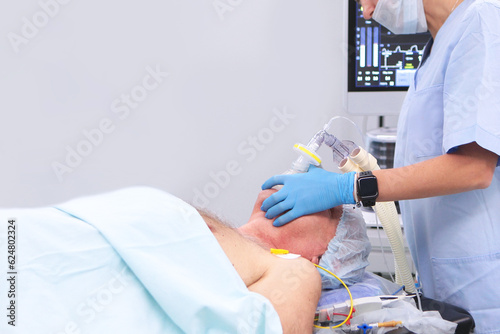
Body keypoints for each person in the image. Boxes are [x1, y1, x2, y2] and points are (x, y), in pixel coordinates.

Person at [260, 0, 500, 332]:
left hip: (485, 294)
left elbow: (474, 168)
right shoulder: (441, 47)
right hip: (451, 290)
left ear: (319, 260)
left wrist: (348, 187)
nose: (368, 12)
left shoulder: (483, 20)